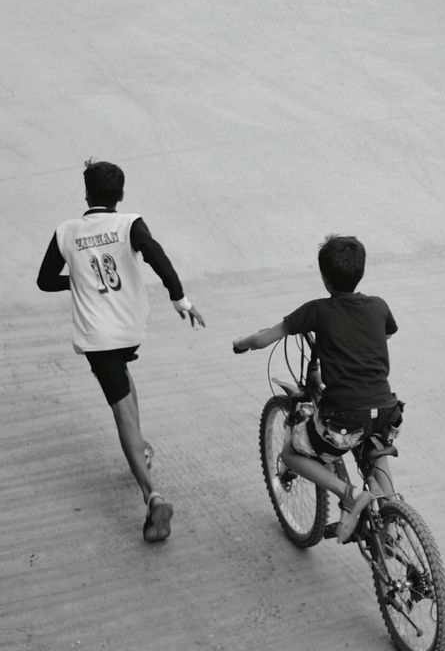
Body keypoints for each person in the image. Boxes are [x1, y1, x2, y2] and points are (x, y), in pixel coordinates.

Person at [37, 159, 205, 542]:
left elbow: (45, 281)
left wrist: (77, 282)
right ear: (120, 195)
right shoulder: (129, 223)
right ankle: (142, 448)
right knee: (123, 381)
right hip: (130, 329)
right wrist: (181, 300)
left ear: (85, 194)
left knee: (121, 413)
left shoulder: (66, 232)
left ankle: (153, 496)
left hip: (99, 336)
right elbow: (157, 256)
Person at [232, 236, 402, 543]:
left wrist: (240, 344)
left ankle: (348, 494)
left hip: (345, 417)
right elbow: (387, 333)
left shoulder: (317, 311)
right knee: (376, 451)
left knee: (292, 454)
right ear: (360, 271)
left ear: (324, 278)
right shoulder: (378, 306)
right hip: (387, 409)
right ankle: (393, 523)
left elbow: (262, 339)